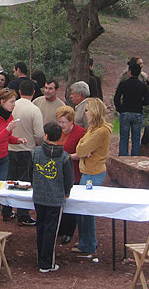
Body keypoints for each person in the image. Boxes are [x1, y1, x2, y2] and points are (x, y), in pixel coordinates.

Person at [30, 122, 74, 273]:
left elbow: (31, 173)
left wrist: (35, 185)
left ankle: (41, 259)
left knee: (40, 227)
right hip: (55, 198)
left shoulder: (36, 152)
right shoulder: (64, 156)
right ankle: (46, 262)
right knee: (50, 229)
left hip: (39, 196)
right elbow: (69, 178)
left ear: (46, 135)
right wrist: (66, 191)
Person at [70, 98, 112, 256]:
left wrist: (82, 148)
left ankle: (89, 244)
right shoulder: (94, 128)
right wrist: (82, 147)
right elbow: (81, 146)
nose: (85, 113)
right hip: (88, 171)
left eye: (87, 110)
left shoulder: (100, 131)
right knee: (82, 209)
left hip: (92, 174)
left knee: (86, 209)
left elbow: (80, 149)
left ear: (94, 112)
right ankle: (85, 241)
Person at [1, 80, 44, 226]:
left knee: (9, 179)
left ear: (19, 92)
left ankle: (6, 211)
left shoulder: (11, 106)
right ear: (33, 93)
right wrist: (38, 144)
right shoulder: (34, 110)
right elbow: (39, 134)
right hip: (26, 149)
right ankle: (23, 214)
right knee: (24, 182)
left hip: (10, 147)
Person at [0, 89, 27, 227]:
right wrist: (8, 130)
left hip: (3, 158)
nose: (14, 105)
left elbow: (6, 138)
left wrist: (17, 140)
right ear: (2, 102)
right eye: (12, 102)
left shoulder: (9, 117)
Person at [54, 105, 86, 244]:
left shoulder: (81, 133)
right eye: (59, 122)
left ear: (72, 121)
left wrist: (67, 156)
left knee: (70, 201)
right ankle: (60, 227)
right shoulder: (57, 132)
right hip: (58, 172)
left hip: (73, 171)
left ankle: (69, 230)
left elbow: (84, 153)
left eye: (64, 122)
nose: (61, 125)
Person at [114, 62, 149, 156]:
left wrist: (120, 108)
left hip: (125, 112)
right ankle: (135, 159)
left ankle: (122, 159)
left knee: (124, 138)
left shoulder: (123, 84)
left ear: (129, 72)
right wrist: (139, 104)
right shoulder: (142, 85)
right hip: (137, 113)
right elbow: (148, 101)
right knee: (136, 138)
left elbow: (116, 98)